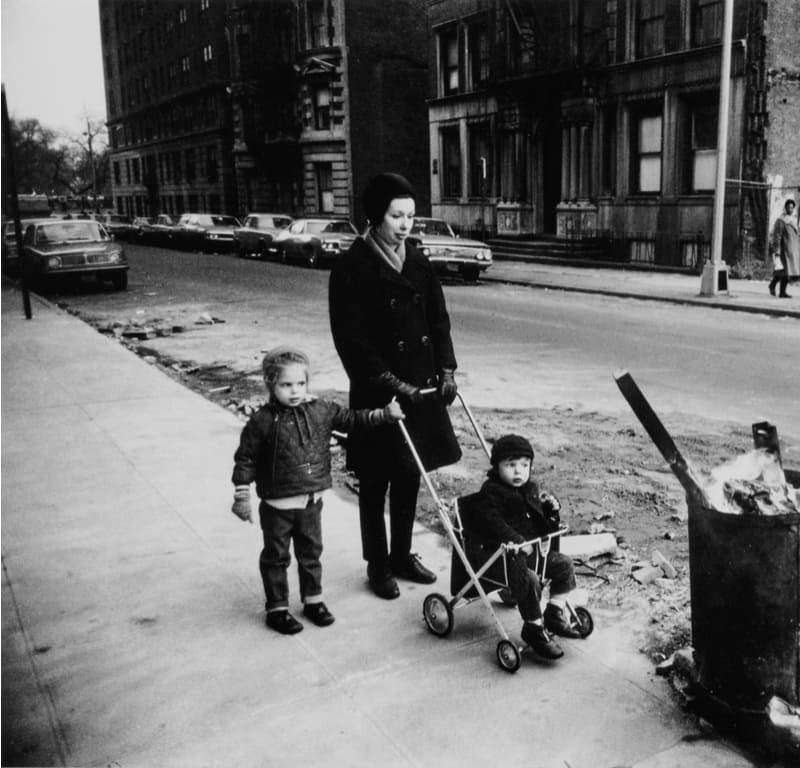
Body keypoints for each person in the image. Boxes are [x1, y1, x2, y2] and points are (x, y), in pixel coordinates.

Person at [329, 172, 462, 601]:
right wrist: (390, 383)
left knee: (409, 475)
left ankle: (402, 554)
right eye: (396, 216)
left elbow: (438, 321)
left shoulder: (417, 260)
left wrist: (446, 370)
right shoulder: (352, 267)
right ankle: (378, 563)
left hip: (419, 389)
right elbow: (351, 340)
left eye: (410, 216)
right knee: (375, 482)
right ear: (375, 216)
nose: (405, 225)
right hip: (379, 392)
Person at [231, 346, 405, 635]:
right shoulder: (262, 421)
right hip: (277, 506)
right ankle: (277, 608)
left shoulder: (320, 410)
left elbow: (352, 419)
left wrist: (383, 415)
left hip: (311, 501)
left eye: (300, 383)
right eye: (286, 385)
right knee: (276, 557)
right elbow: (246, 458)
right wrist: (241, 496)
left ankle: (313, 600)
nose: (295, 391)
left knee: (311, 553)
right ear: (271, 384)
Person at [468, 434, 583, 660]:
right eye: (511, 465)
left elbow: (539, 521)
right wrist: (516, 540)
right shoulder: (491, 492)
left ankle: (554, 612)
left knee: (564, 564)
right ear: (497, 467)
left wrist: (551, 512)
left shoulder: (530, 488)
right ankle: (533, 627)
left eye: (524, 465)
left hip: (532, 552)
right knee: (530, 581)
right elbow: (492, 522)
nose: (518, 471)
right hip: (503, 557)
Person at [770, 198, 799, 298]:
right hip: (784, 250)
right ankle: (780, 291)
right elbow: (777, 236)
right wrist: (777, 250)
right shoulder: (781, 220)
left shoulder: (792, 220)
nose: (790, 209)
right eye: (788, 207)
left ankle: (774, 286)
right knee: (785, 272)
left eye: (792, 207)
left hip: (791, 250)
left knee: (785, 272)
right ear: (785, 208)